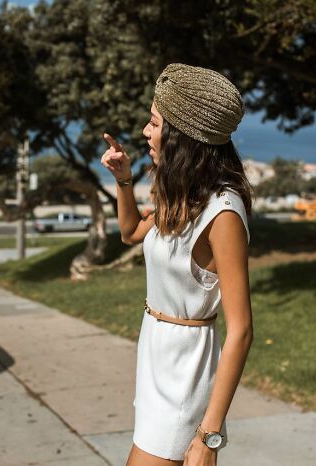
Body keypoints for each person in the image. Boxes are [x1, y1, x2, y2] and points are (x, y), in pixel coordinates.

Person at [100, 64, 254, 466]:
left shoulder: (222, 213)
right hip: (156, 360)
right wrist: (123, 180)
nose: (145, 132)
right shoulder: (184, 194)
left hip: (185, 373)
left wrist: (209, 435)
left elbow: (241, 331)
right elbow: (131, 232)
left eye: (155, 123)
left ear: (183, 134)